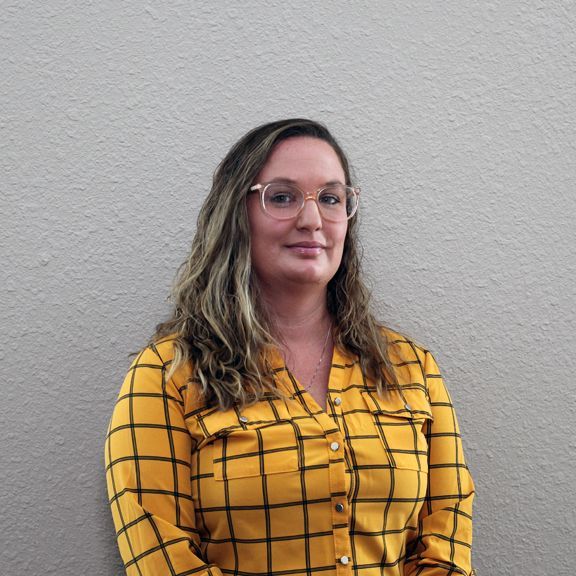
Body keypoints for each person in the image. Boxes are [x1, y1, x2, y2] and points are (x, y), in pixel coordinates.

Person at [105, 118, 475, 575]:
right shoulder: (167, 375)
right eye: (281, 197)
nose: (312, 219)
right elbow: (162, 561)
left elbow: (446, 545)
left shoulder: (410, 368)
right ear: (237, 215)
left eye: (331, 198)